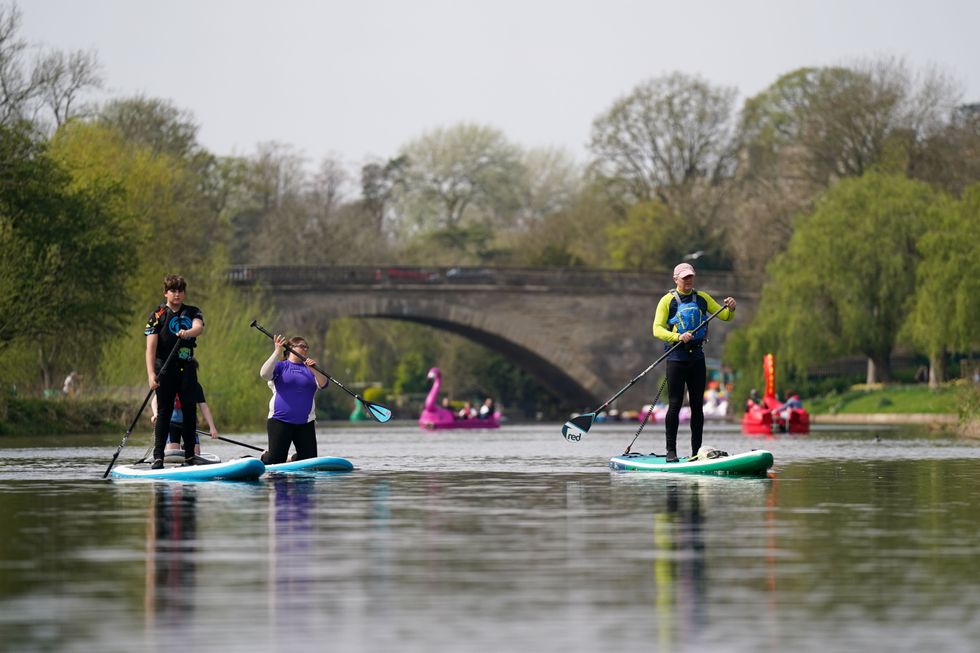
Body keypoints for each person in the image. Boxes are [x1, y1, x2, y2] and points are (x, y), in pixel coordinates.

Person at [653, 262, 736, 462]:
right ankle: (670, 452)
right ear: (676, 279)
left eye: (690, 276)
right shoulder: (667, 301)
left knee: (697, 407)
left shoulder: (702, 298)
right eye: (684, 277)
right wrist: (678, 337)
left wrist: (731, 308)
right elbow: (657, 329)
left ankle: (696, 452)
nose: (688, 280)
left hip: (697, 358)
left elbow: (725, 316)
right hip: (676, 358)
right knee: (675, 405)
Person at [145, 275, 205, 469]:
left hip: (186, 368)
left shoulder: (192, 311)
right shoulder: (158, 314)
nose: (177, 294)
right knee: (164, 412)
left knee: (189, 411)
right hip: (164, 369)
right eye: (173, 291)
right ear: (166, 293)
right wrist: (151, 375)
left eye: (180, 291)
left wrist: (187, 333)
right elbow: (150, 348)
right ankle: (158, 457)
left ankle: (189, 457)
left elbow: (198, 328)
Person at [259, 333, 329, 464]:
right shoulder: (281, 366)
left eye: (307, 347)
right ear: (291, 348)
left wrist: (314, 370)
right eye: (302, 346)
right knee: (276, 461)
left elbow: (324, 384)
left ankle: (291, 458)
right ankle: (265, 456)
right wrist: (277, 351)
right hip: (279, 420)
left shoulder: (311, 369)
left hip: (305, 423)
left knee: (310, 462)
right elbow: (264, 374)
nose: (305, 349)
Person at [151, 377, 219, 456]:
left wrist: (212, 427)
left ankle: (186, 448)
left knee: (195, 454)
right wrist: (156, 414)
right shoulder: (169, 384)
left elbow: (203, 406)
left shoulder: (195, 386)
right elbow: (154, 401)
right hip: (172, 424)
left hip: (190, 423)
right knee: (173, 455)